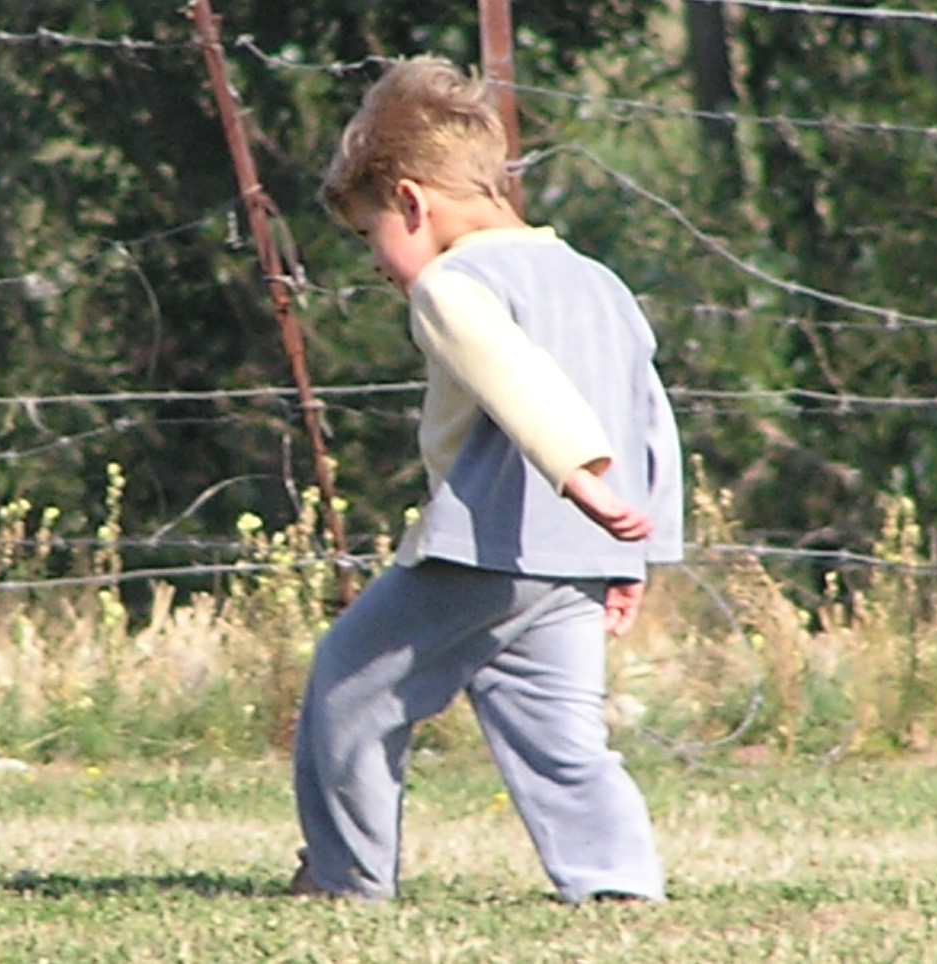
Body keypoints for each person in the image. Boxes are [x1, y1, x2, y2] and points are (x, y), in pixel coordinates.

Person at [290, 55, 683, 904]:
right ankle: (617, 885)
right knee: (562, 737)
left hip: (488, 545)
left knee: (350, 685)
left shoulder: (451, 284)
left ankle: (344, 877)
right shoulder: (599, 280)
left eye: (367, 235)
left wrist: (580, 476)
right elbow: (650, 413)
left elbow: (511, 374)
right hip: (578, 558)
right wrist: (636, 552)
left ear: (411, 203)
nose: (375, 261)